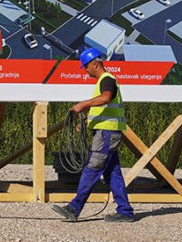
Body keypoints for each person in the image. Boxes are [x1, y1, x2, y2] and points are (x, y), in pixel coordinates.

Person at [51, 47, 135, 224]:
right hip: (107, 131)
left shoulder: (106, 80)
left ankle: (74, 208)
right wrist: (87, 121)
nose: (85, 70)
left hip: (107, 133)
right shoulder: (105, 80)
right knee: (112, 173)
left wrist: (82, 105)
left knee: (92, 168)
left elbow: (105, 98)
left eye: (86, 66)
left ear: (95, 64)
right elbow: (104, 108)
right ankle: (125, 211)